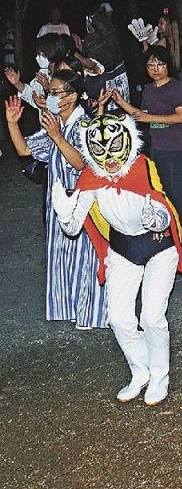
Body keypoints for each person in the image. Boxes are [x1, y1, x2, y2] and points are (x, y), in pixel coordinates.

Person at [51, 113, 182, 405]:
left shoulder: (143, 167)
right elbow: (74, 226)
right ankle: (140, 370)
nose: (109, 157)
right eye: (100, 150)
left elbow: (163, 208)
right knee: (118, 318)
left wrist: (155, 217)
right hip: (123, 250)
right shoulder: (90, 177)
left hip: (158, 247)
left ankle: (160, 375)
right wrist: (65, 213)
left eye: (115, 145)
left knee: (152, 317)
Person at [4, 70, 108, 330]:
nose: (49, 97)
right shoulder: (55, 122)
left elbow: (80, 163)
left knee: (86, 258)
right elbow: (25, 150)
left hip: (84, 204)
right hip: (59, 204)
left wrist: (57, 137)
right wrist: (12, 124)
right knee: (63, 256)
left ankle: (90, 313)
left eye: (54, 93)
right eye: (49, 92)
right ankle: (72, 307)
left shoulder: (85, 124)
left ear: (72, 96)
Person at [110, 45, 182, 254]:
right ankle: (175, 230)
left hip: (179, 147)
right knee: (164, 192)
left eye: (160, 64)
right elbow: (140, 114)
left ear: (168, 65)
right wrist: (119, 101)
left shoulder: (178, 88)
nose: (156, 68)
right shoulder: (149, 90)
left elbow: (181, 117)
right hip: (158, 147)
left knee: (181, 193)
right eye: (151, 65)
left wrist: (148, 117)